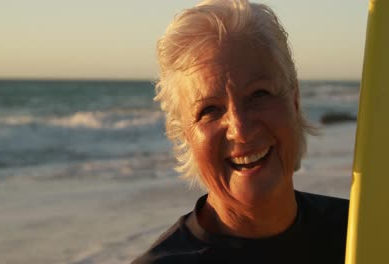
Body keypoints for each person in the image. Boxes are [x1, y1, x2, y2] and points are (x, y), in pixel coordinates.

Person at [131, 0, 349, 263]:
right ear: (184, 135)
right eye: (209, 110)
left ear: (295, 100)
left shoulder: (363, 236)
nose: (241, 130)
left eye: (259, 94)